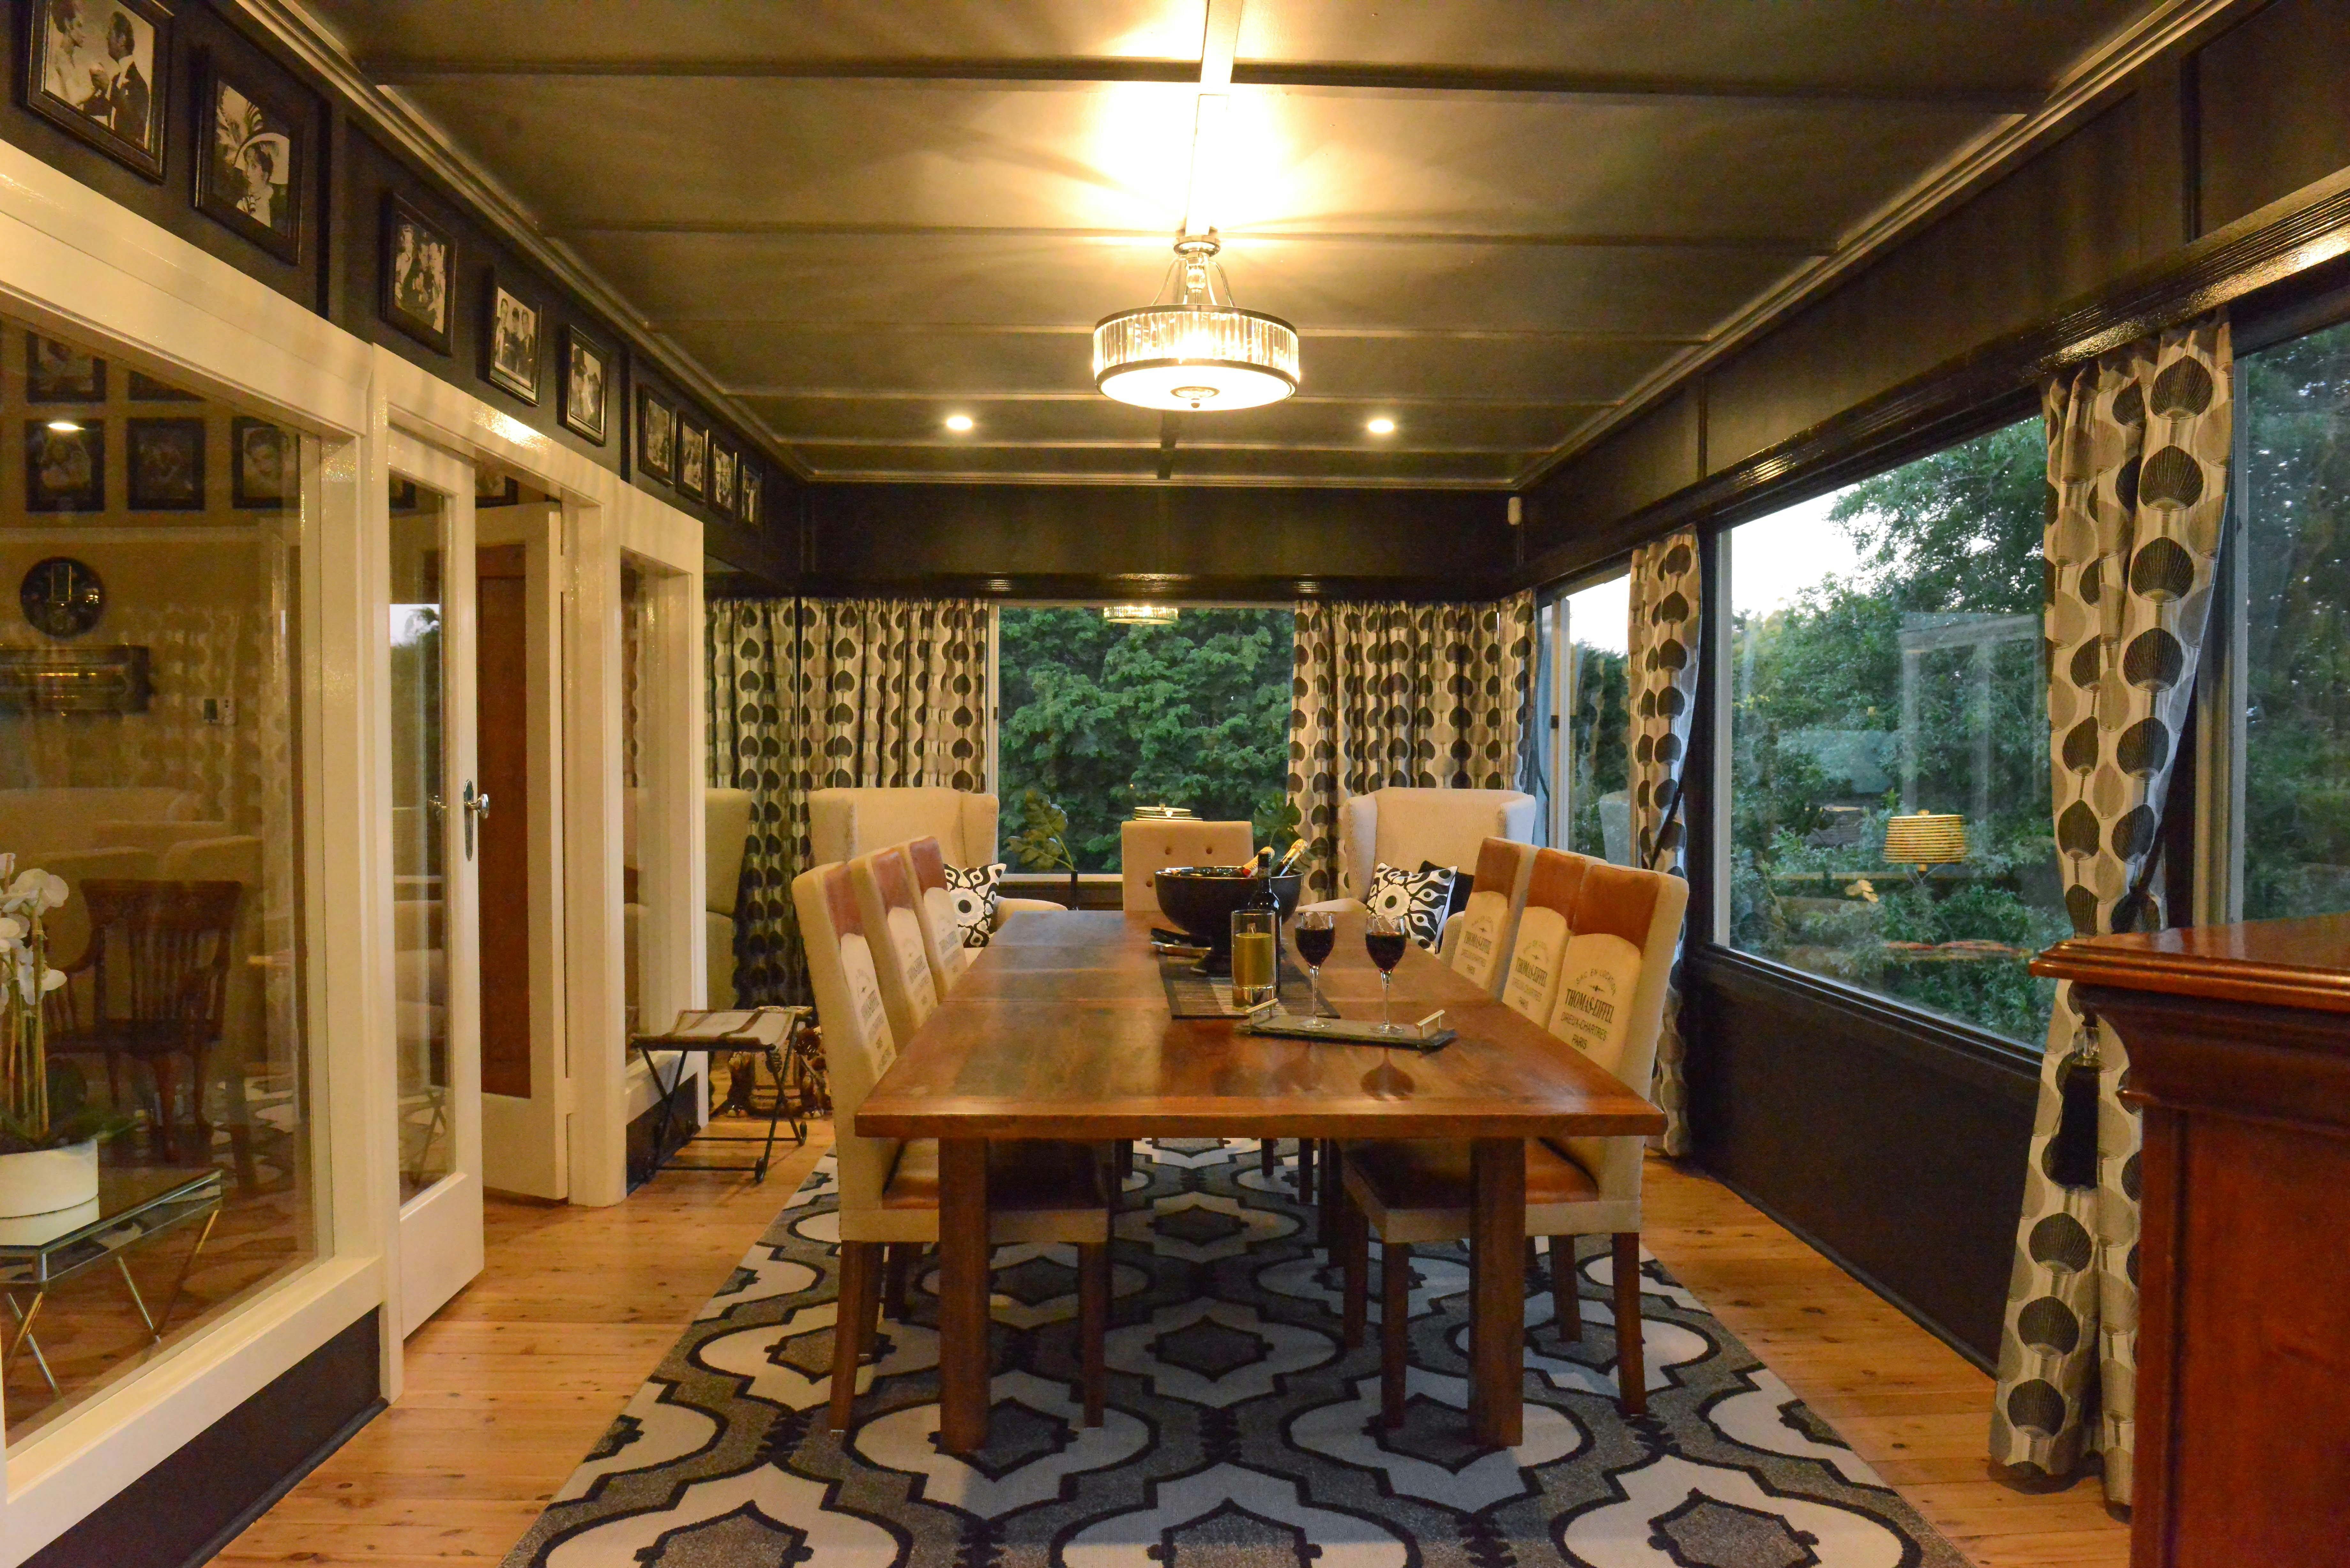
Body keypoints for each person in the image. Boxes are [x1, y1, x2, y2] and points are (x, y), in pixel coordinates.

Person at [100, 10, 148, 144]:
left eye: (110, 33)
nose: (107, 38)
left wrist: (108, 89)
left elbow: (137, 124)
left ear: (122, 40)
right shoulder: (116, 79)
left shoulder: (139, 84)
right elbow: (103, 108)